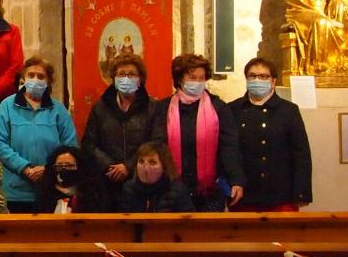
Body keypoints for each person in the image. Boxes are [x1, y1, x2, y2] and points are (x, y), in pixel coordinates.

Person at [152, 53, 246, 212]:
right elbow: (157, 145)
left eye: (201, 78)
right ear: (180, 79)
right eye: (192, 77)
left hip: (209, 192)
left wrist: (236, 180)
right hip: (169, 189)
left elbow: (229, 147)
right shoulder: (163, 108)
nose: (197, 82)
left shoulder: (219, 108)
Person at [0, 56, 77, 212]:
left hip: (52, 188)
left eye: (41, 76)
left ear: (48, 81)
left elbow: (70, 147)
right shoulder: (6, 107)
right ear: (24, 77)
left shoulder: (58, 110)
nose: (35, 79)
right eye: (31, 75)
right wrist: (26, 168)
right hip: (16, 191)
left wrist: (47, 169)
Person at [227, 57, 312, 211]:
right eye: (252, 76)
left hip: (280, 195)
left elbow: (301, 154)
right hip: (244, 193)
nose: (257, 80)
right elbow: (228, 151)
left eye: (263, 76)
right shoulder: (233, 109)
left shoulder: (288, 110)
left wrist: (301, 193)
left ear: (273, 81)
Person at [82, 54, 158, 203]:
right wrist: (110, 166)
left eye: (132, 74)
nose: (126, 78)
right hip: (106, 182)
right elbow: (89, 143)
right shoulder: (100, 107)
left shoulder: (153, 108)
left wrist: (128, 167)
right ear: (114, 78)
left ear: (140, 78)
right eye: (121, 74)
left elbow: (156, 142)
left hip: (141, 181)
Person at [118, 142, 195, 212]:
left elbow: (190, 224)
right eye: (141, 161)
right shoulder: (129, 189)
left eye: (152, 162)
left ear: (164, 167)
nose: (145, 167)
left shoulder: (177, 190)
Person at [34, 146, 113, 213]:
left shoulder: (92, 191)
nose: (64, 169)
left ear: (79, 167)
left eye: (69, 165)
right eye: (59, 166)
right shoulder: (46, 191)